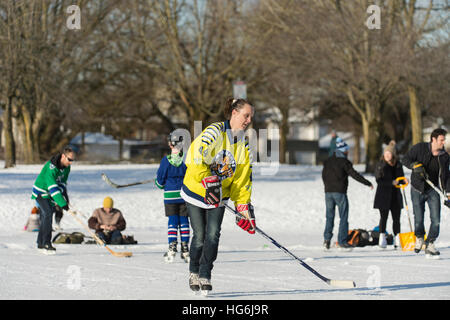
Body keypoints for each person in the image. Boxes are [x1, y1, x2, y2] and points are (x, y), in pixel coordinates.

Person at [180, 97, 255, 294]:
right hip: (196, 192)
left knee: (213, 236)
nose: (248, 120)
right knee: (200, 237)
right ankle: (193, 271)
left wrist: (243, 206)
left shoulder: (244, 145)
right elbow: (194, 156)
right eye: (246, 115)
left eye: (250, 117)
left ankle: (205, 274)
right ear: (234, 113)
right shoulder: (214, 132)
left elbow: (242, 180)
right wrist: (208, 180)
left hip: (219, 196)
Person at [402, 128, 450, 259]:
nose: (443, 142)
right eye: (441, 140)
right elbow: (405, 159)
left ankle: (430, 243)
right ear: (433, 139)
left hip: (433, 190)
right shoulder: (420, 148)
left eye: (444, 140)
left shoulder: (444, 156)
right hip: (417, 188)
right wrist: (414, 165)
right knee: (419, 219)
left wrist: (448, 192)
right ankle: (419, 238)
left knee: (436, 220)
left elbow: (446, 177)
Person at [322, 137, 374, 251]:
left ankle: (326, 240)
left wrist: (327, 187)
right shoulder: (344, 162)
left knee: (329, 217)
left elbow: (324, 175)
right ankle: (342, 241)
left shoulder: (328, 161)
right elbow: (354, 174)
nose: (348, 152)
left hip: (328, 193)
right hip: (340, 193)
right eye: (347, 150)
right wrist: (367, 183)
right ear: (343, 150)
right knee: (343, 217)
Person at [31, 146, 75, 254]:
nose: (70, 163)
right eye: (69, 160)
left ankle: (40, 243)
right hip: (41, 191)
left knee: (45, 215)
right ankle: (46, 243)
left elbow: (62, 184)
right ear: (63, 156)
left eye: (72, 160)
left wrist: (65, 198)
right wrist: (62, 203)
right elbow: (53, 187)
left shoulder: (67, 168)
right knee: (48, 213)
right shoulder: (51, 167)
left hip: (51, 193)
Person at [155, 131, 190, 263]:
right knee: (184, 221)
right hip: (184, 195)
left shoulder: (165, 160)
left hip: (170, 196)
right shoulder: (186, 159)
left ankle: (172, 246)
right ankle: (185, 247)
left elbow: (160, 182)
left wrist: (158, 182)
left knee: (173, 221)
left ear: (170, 144)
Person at [373, 141, 406, 249]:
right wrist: (391, 182)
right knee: (384, 218)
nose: (387, 155)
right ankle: (382, 238)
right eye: (386, 153)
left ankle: (397, 238)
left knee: (396, 219)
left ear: (393, 154)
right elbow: (378, 180)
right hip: (383, 195)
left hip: (395, 196)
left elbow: (400, 178)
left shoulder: (398, 164)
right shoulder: (380, 164)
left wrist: (403, 181)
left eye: (389, 153)